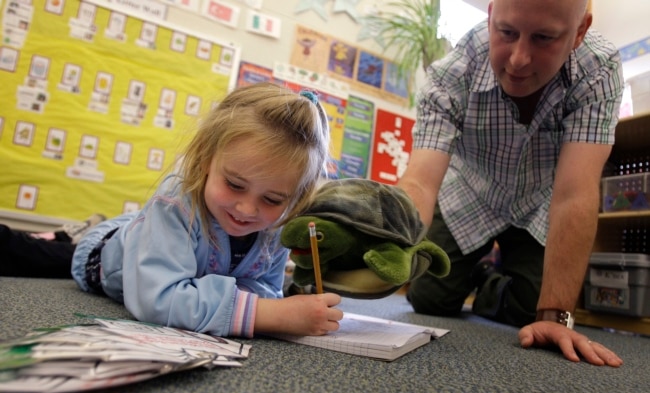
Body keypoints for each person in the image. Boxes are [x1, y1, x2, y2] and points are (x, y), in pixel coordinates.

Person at [2, 82, 343, 338]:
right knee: (46, 255)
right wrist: (271, 315)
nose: (246, 208)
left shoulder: (277, 227)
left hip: (155, 238)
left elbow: (265, 289)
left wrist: (268, 305)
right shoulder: (175, 203)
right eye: (235, 185)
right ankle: (74, 232)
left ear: (294, 197)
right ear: (207, 159)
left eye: (272, 200)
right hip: (107, 256)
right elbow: (157, 298)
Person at [398, 0, 624, 367]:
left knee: (534, 313)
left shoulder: (598, 70)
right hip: (469, 193)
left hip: (538, 201)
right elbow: (420, 183)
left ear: (580, 31)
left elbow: (574, 194)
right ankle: (469, 273)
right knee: (429, 299)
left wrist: (555, 317)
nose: (519, 59)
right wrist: (390, 246)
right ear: (490, 17)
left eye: (543, 38)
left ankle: (488, 282)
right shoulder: (454, 71)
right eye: (507, 33)